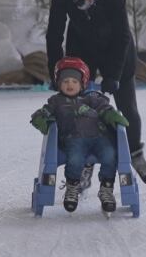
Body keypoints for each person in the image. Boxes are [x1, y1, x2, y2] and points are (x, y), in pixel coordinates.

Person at [46, 0, 146, 188]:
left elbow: (122, 36)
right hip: (81, 50)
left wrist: (113, 76)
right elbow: (54, 34)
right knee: (81, 109)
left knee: (127, 107)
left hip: (116, 51)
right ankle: (84, 162)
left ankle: (136, 154)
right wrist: (55, 71)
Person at [30, 57, 129, 214]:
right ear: (58, 83)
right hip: (73, 139)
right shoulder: (56, 101)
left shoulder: (91, 97)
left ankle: (106, 189)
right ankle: (72, 187)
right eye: (66, 81)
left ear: (82, 83)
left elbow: (105, 108)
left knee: (110, 155)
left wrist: (112, 116)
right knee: (75, 159)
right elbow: (41, 113)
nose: (70, 85)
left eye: (74, 81)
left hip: (99, 138)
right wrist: (41, 120)